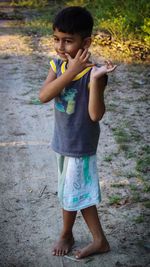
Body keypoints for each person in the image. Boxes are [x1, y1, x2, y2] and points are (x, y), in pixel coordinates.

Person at [39, 6, 116, 259]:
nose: (60, 46)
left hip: (80, 145)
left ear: (86, 42)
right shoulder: (58, 66)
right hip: (62, 142)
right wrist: (69, 70)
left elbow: (95, 115)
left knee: (76, 192)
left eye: (68, 41)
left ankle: (95, 239)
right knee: (68, 191)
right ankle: (69, 232)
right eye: (56, 39)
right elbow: (44, 96)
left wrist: (94, 80)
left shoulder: (94, 74)